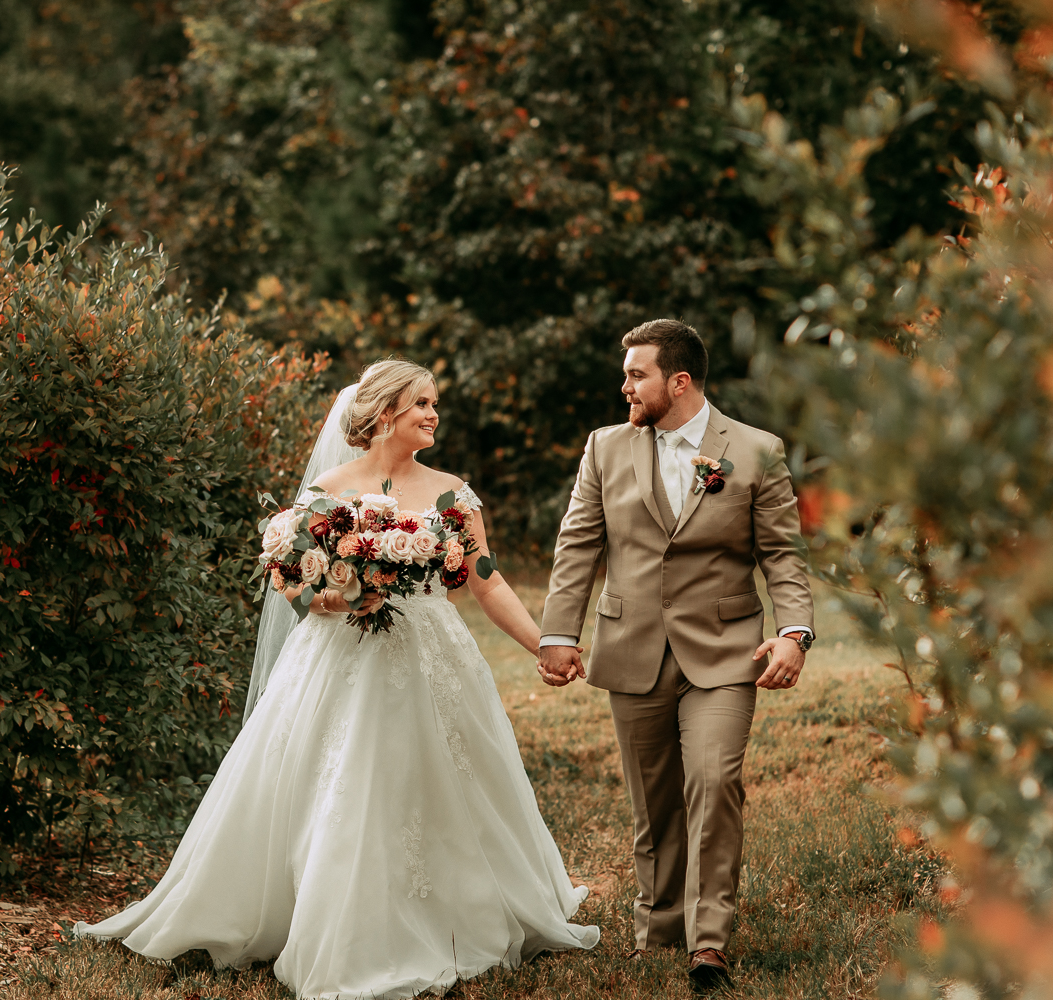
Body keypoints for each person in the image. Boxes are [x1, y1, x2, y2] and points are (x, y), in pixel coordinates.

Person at [76, 358, 600, 999]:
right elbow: (292, 579)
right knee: (345, 778)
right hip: (340, 656)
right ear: (384, 414)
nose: (434, 415)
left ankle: (457, 908)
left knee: (442, 776)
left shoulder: (450, 494)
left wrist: (544, 644)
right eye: (422, 405)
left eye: (435, 404)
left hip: (432, 653)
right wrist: (335, 598)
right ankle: (323, 916)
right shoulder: (329, 488)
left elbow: (485, 579)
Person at [537, 319, 814, 990]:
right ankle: (661, 925)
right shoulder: (605, 448)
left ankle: (709, 940)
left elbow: (782, 554)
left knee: (714, 780)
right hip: (631, 646)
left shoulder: (755, 450)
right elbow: (579, 544)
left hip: (724, 652)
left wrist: (794, 633)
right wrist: (557, 632)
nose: (624, 385)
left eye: (637, 375)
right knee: (653, 801)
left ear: (678, 381)